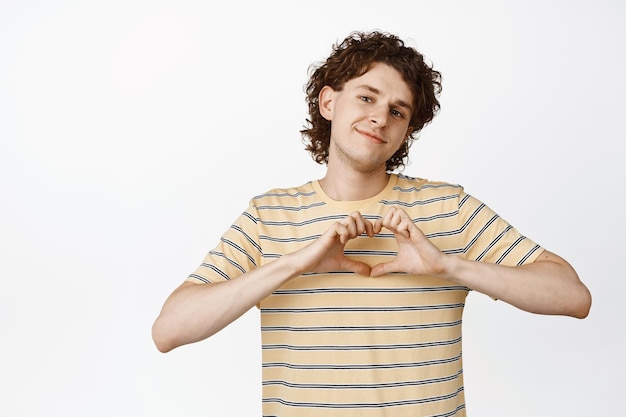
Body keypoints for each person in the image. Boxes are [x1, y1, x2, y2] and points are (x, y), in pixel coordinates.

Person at [152, 30, 591, 416]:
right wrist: (294, 265)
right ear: (329, 101)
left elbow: (572, 297)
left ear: (405, 132)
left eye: (398, 111)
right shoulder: (269, 215)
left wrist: (449, 266)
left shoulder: (448, 206)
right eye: (367, 97)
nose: (381, 116)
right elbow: (169, 330)